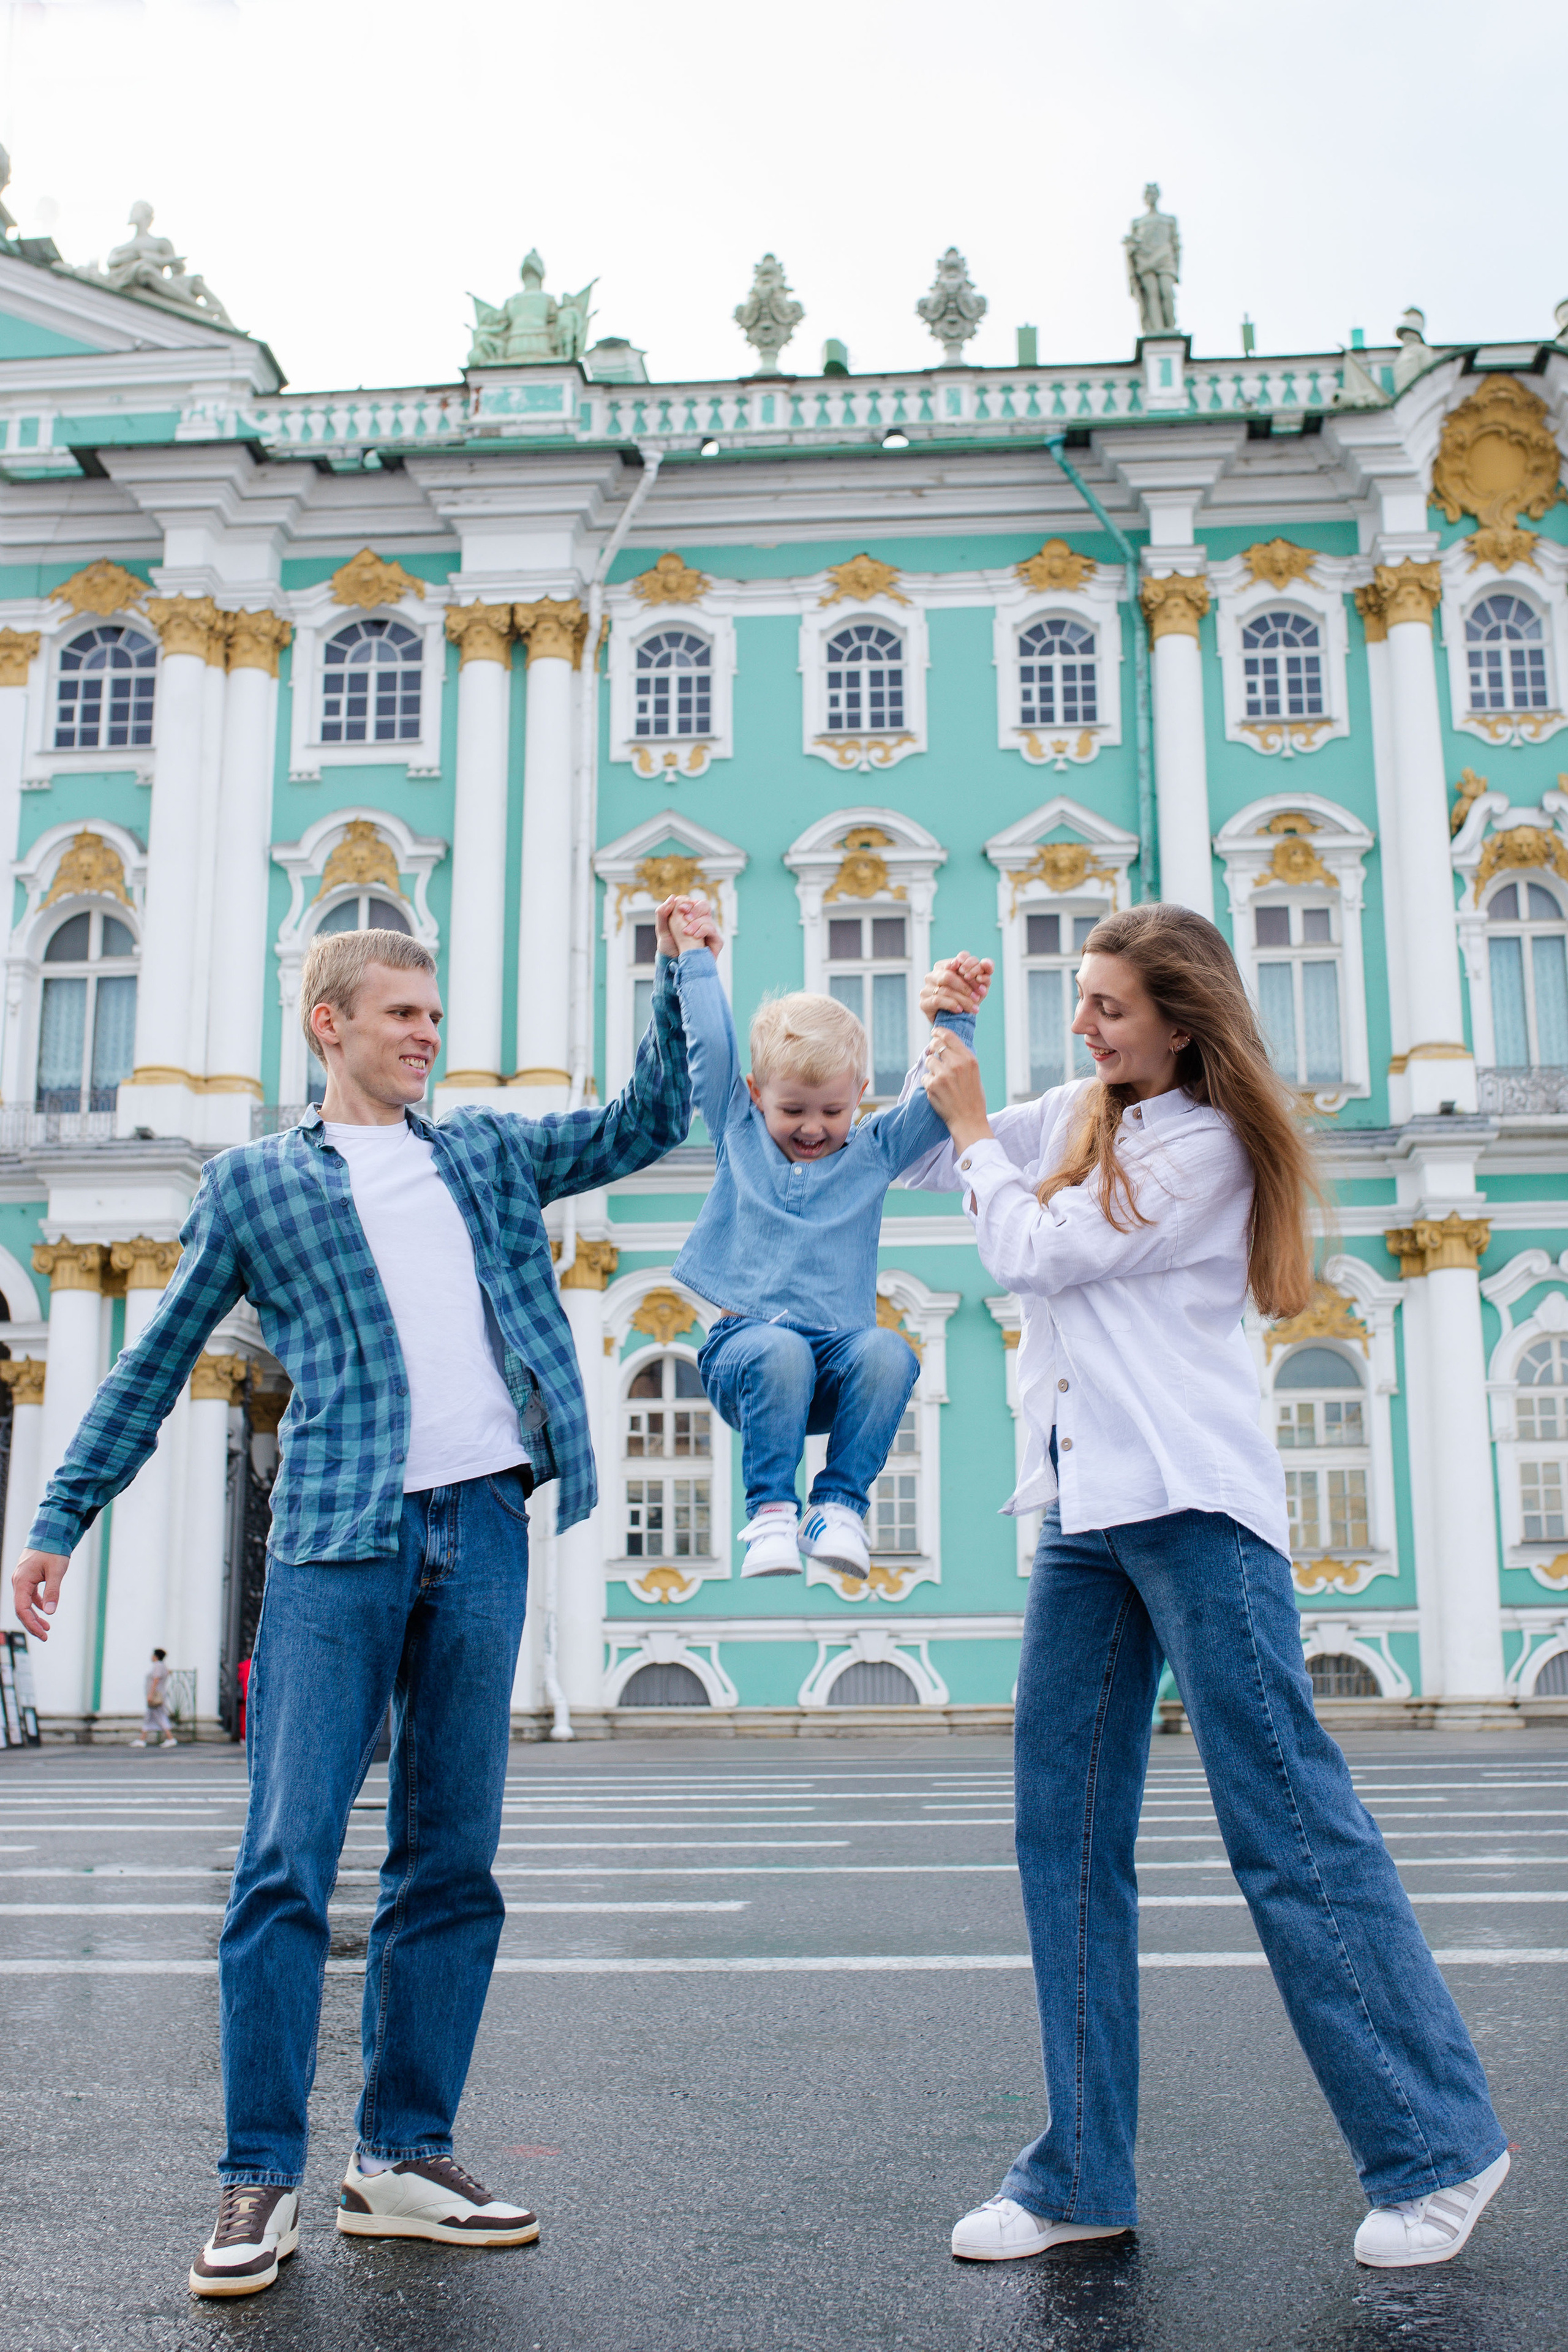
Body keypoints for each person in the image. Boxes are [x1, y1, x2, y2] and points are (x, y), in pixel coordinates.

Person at [10, 913, 693, 2300]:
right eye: (402, 1015)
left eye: (433, 1014)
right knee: (285, 1861)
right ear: (331, 1024)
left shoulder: (488, 1151)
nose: (427, 1034)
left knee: (451, 1858)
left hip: (483, 1527)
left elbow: (644, 1119)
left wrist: (683, 974)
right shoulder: (257, 1182)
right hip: (335, 1537)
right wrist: (59, 1515)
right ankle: (256, 2171)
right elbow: (156, 1365)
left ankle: (402, 2152)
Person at [909, 904, 1509, 2272]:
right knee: (1057, 1835)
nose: (1083, 1025)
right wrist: (938, 1039)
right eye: (1078, 1002)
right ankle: (1077, 2174)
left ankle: (1436, 2146)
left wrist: (962, 1123)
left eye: (1108, 1008)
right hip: (1083, 1509)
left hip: (1193, 1509)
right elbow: (952, 1154)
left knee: (1285, 1825)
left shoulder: (1213, 1147)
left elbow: (1029, 1248)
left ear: (1182, 1022)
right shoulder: (1088, 1111)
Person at [666, 898, 987, 1578]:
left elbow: (932, 1106)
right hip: (747, 1358)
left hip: (835, 1368)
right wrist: (695, 959)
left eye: (832, 1111)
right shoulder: (738, 1131)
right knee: (779, 1348)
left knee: (892, 1351)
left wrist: (956, 1018)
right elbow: (712, 1046)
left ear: (860, 1096)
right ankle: (772, 1515)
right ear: (755, 1095)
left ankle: (837, 1508)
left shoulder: (870, 1151)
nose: (812, 1128)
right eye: (792, 1110)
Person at [131, 1646, 176, 1748]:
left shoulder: (158, 1666)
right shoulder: (163, 1666)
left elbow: (156, 1680)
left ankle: (170, 1738)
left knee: (160, 1716)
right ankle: (142, 1740)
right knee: (150, 1717)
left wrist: (151, 1694)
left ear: (156, 1656)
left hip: (156, 1696)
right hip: (160, 1695)